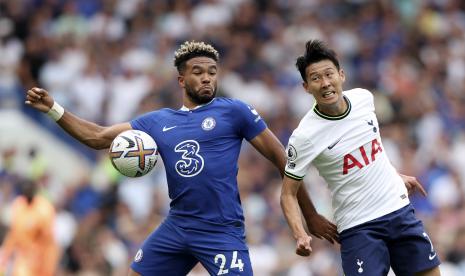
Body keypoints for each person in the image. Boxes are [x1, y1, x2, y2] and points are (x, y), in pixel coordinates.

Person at [24, 41, 338, 275]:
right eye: (198, 72)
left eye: (212, 72)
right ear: (181, 80)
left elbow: (284, 161)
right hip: (178, 226)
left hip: (221, 231)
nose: (206, 78)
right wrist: (55, 109)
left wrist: (309, 215)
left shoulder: (235, 112)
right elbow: (97, 136)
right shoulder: (157, 122)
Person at [280, 39, 441, 276]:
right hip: (359, 227)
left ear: (341, 75)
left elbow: (371, 148)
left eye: (329, 74)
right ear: (306, 87)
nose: (325, 83)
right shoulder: (304, 136)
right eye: (316, 78)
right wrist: (300, 232)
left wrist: (395, 176)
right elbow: (287, 194)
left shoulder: (364, 99)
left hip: (398, 210)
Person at [0, 179, 59, 276]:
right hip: (22, 256)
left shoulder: (44, 210)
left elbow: (48, 241)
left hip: (38, 259)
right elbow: (14, 232)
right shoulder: (19, 204)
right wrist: (5, 254)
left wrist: (44, 266)